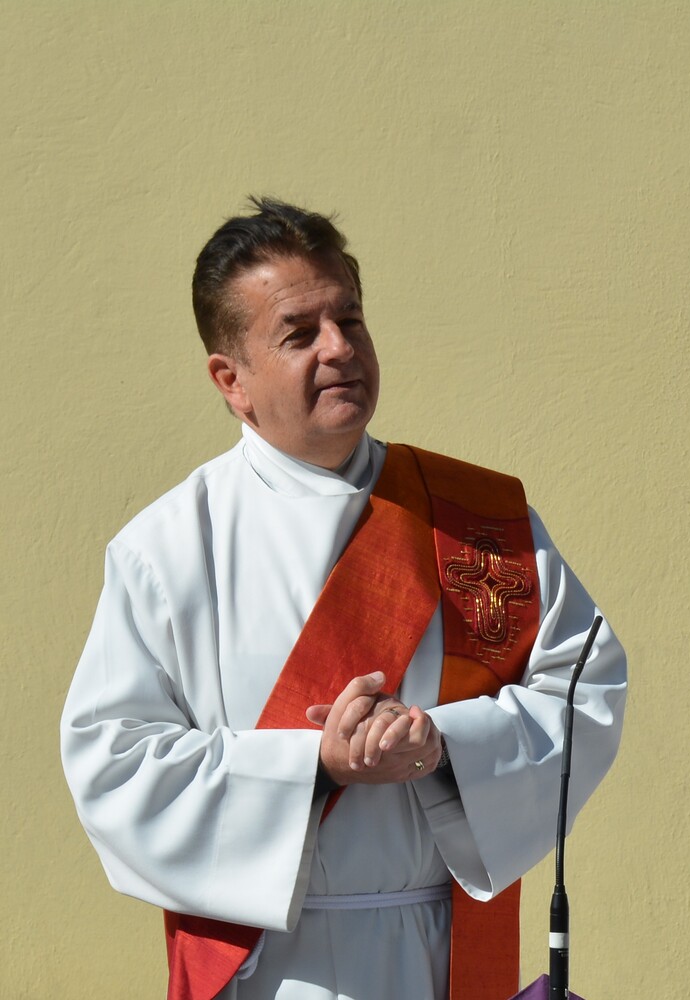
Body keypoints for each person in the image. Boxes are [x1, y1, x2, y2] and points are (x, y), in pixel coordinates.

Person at [60, 198, 627, 1000]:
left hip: (446, 953)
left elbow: (584, 690)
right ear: (231, 380)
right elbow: (113, 767)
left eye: (350, 319)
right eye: (299, 334)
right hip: (275, 970)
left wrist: (443, 748)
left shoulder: (476, 521)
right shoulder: (169, 550)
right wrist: (315, 766)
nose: (340, 348)